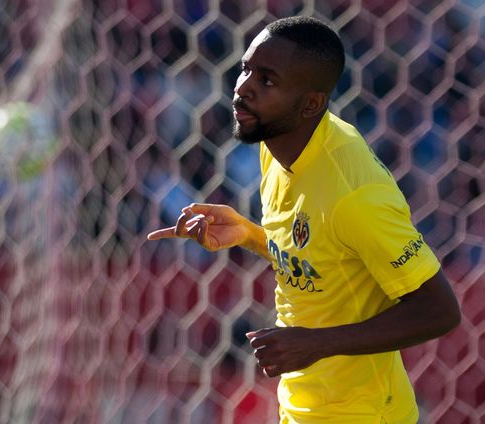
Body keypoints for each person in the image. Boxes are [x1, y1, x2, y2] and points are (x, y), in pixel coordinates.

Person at [147, 16, 461, 423]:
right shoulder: (276, 143)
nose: (243, 89)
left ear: (311, 103)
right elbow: (320, 256)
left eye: (268, 81)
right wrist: (247, 234)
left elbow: (440, 310)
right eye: (246, 70)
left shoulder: (354, 195)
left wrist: (315, 344)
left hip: (362, 415)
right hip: (302, 406)